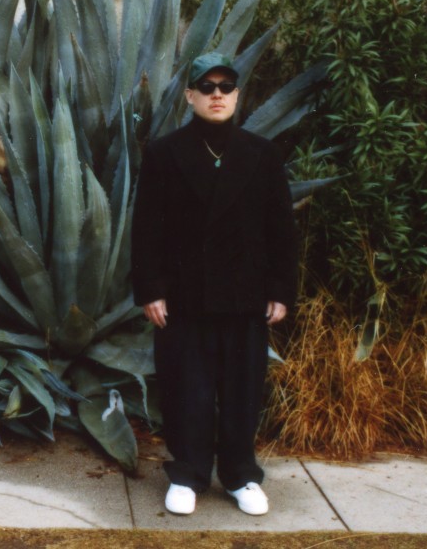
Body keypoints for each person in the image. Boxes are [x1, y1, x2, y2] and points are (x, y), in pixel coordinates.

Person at [131, 52, 296, 517]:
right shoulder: (164, 153)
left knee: (243, 390)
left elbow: (281, 229)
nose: (217, 94)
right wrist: (151, 289)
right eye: (207, 87)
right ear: (190, 96)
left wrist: (281, 289)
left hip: (246, 299)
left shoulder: (262, 154)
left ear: (238, 95)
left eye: (226, 86)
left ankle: (242, 475)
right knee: (188, 389)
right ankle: (187, 473)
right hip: (185, 299)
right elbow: (147, 229)